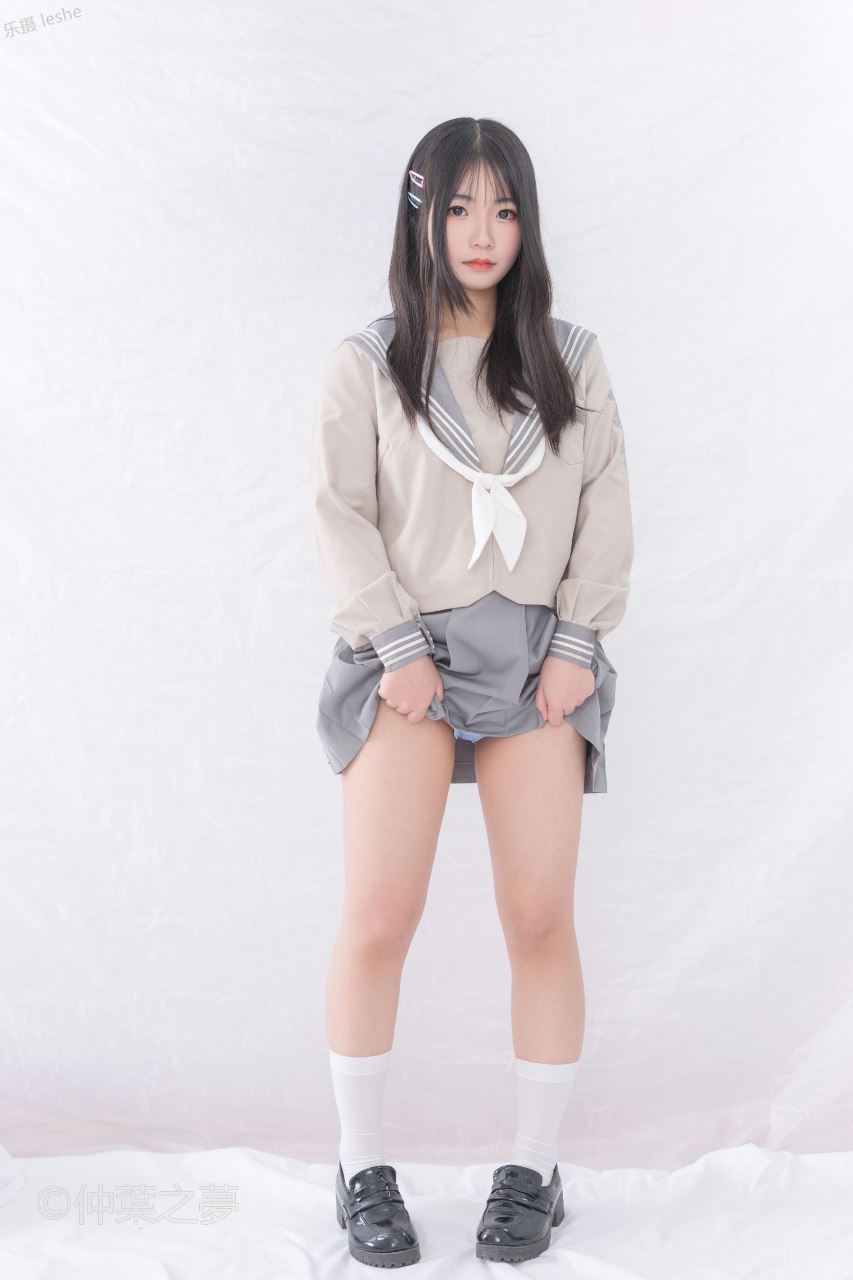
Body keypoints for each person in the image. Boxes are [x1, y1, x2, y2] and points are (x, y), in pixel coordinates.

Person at [311, 116, 634, 1266]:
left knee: (538, 915)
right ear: (421, 215)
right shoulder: (369, 361)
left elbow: (603, 502)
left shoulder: (569, 357)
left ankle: (533, 1164)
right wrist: (396, 645)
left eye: (503, 208)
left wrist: (577, 642)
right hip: (404, 657)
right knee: (379, 914)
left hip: (538, 657)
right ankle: (359, 1164)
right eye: (458, 208)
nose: (481, 231)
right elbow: (341, 512)